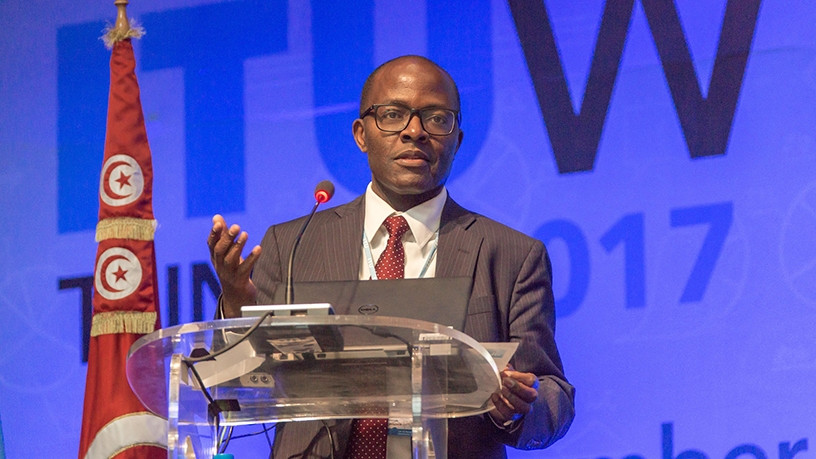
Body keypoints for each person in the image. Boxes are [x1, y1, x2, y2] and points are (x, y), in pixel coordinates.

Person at [208, 55, 574, 458]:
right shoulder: (294, 244)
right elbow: (243, 379)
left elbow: (552, 396)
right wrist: (239, 298)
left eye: (436, 118)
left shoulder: (510, 255)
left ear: (457, 139)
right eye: (393, 115)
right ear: (361, 134)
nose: (414, 132)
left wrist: (518, 405)